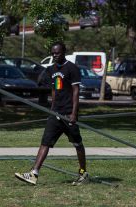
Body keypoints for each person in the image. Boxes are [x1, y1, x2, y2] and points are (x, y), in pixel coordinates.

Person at [15, 42, 88, 185]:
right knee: (45, 142)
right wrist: (52, 108)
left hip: (68, 114)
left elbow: (76, 91)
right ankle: (34, 173)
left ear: (64, 52)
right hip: (56, 114)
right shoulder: (52, 69)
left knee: (77, 144)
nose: (54, 55)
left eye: (57, 53)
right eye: (53, 53)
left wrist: (74, 113)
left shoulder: (72, 69)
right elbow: (56, 88)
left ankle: (82, 172)